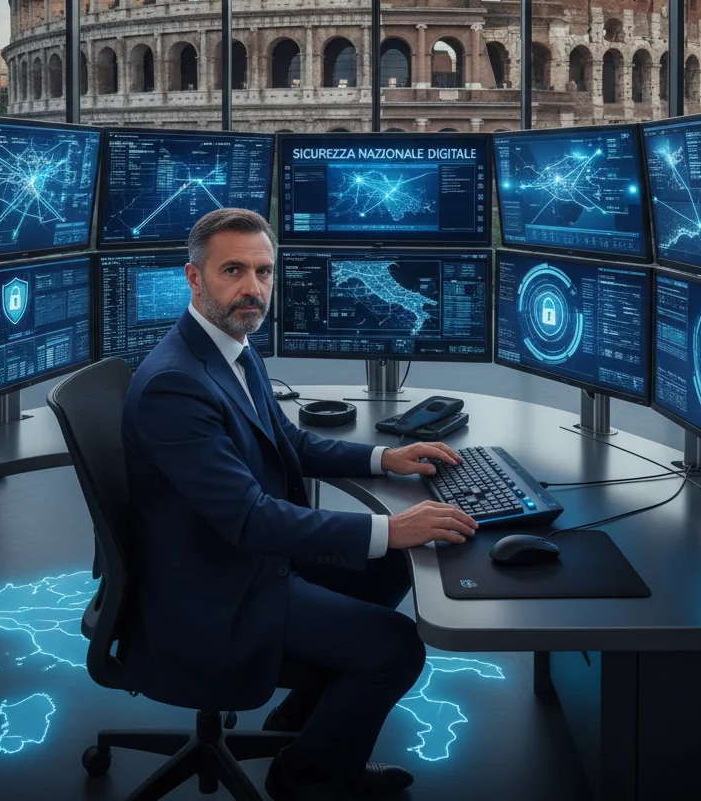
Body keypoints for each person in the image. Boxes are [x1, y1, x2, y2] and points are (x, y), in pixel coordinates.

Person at [122, 208, 478, 801]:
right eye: (233, 270)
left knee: (387, 566)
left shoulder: (231, 348)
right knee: (395, 648)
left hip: (240, 562)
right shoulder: (174, 383)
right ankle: (307, 776)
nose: (252, 288)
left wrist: (382, 460)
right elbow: (248, 518)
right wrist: (391, 527)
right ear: (193, 277)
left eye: (263, 272)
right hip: (214, 590)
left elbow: (287, 442)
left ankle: (304, 727)